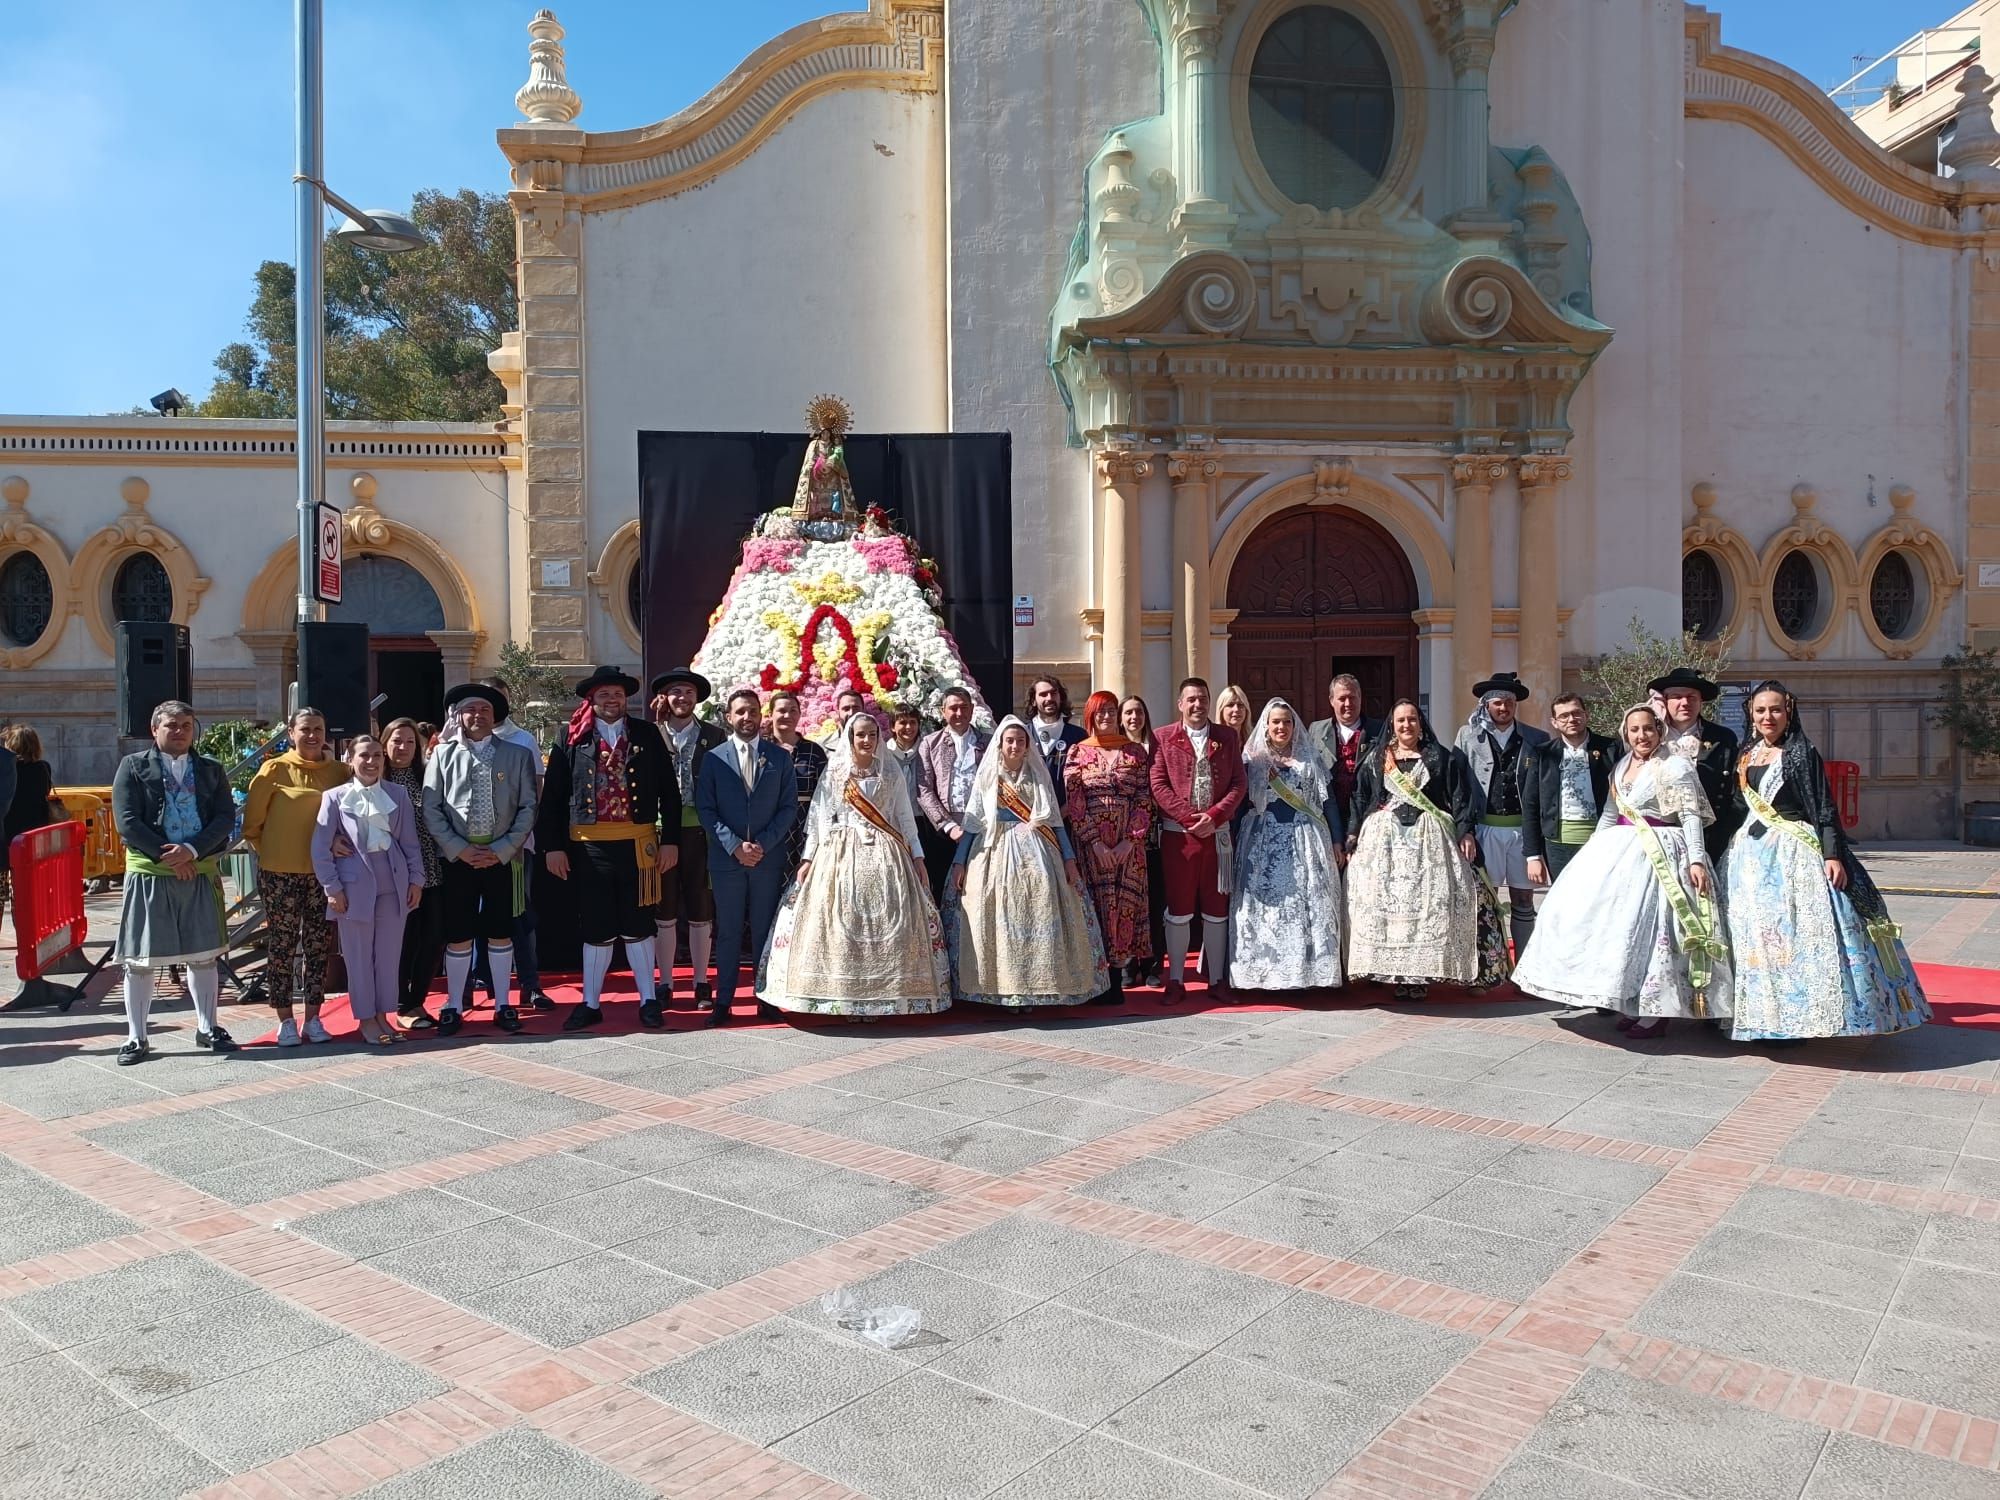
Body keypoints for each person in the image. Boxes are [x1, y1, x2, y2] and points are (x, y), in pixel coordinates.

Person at [1723, 681, 1930, 1040]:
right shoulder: (1747, 753)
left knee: (1796, 933)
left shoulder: (1801, 751)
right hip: (1750, 858)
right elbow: (1738, 808)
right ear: (1750, 715)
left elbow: (1823, 807)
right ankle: (1759, 1017)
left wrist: (1832, 855)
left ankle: (1797, 1020)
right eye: (1760, 710)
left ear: (1788, 712)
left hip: (1793, 854)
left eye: (1775, 709)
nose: (1767, 717)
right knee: (1756, 936)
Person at [1512, 704, 1729, 1037]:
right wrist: (1591, 857)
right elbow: (1610, 816)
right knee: (1623, 933)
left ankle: (1657, 1010)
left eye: (1648, 729)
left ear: (1659, 731)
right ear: (1625, 734)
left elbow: (1689, 816)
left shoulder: (1674, 766)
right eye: (1634, 730)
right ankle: (1630, 1002)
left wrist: (1697, 859)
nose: (1641, 736)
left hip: (1662, 851)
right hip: (1622, 851)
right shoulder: (1622, 764)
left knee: (1657, 933)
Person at [759, 713, 948, 1016]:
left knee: (889, 921)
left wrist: (917, 857)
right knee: (839, 920)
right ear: (850, 738)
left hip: (887, 853)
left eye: (872, 735)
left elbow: (903, 818)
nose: (866, 740)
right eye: (860, 735)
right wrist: (808, 858)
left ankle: (883, 997)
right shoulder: (835, 772)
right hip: (840, 851)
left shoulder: (891, 771)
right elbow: (819, 818)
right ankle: (844, 997)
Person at [538, 666, 678, 1031]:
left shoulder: (646, 733)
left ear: (625, 698)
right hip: (589, 848)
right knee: (597, 928)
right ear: (592, 699)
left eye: (617, 694)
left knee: (639, 926)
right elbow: (553, 798)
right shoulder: (570, 737)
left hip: (638, 844)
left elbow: (670, 793)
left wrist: (672, 841)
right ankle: (590, 1003)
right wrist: (552, 847)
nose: (612, 700)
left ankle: (648, 999)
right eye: (604, 695)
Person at [109, 702, 239, 1062]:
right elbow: (128, 822)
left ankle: (207, 1027)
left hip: (197, 868)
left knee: (204, 955)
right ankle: (137, 1037)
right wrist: (171, 856)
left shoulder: (211, 769)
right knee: (141, 959)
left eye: (186, 724)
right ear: (155, 729)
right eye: (171, 725)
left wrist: (192, 851)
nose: (180, 730)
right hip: (152, 872)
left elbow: (225, 817)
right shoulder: (133, 767)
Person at [947, 717, 1106, 1008]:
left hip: (1037, 852)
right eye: (1010, 740)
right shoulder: (988, 777)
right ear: (1000, 743)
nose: (1015, 745)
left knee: (1040, 910)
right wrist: (960, 862)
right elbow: (972, 822)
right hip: (993, 850)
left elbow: (1055, 823)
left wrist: (1069, 859)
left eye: (1021, 741)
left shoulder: (1037, 774)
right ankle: (1001, 988)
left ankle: (1037, 988)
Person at [1345, 700, 1493, 1001]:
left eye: (1412, 719)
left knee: (1429, 905)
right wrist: (1352, 834)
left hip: (1429, 842)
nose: (1406, 725)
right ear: (1392, 725)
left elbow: (1460, 797)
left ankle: (1421, 975)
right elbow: (1360, 798)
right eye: (1400, 720)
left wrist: (1465, 832)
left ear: (1421, 723)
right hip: (1384, 844)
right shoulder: (1377, 758)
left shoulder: (1440, 757)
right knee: (1389, 907)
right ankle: (1393, 973)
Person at [421, 683, 538, 1035]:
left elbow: (528, 806)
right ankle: (454, 1004)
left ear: (494, 715)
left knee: (501, 932)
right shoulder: (442, 755)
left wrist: (502, 849)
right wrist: (459, 848)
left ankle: (503, 1003)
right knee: (459, 934)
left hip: (501, 859)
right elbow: (431, 806)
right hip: (459, 859)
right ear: (458, 716)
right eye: (470, 710)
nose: (477, 716)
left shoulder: (516, 754)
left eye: (484, 710)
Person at [242, 706, 351, 1046]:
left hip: (324, 876)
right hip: (280, 875)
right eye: (304, 729)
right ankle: (285, 1019)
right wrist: (277, 851)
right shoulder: (273, 769)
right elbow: (252, 826)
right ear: (291, 732)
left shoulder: (339, 772)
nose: (312, 735)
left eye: (318, 729)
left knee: (319, 946)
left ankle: (314, 1017)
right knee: (282, 946)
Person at [312, 735, 424, 1046]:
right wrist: (332, 889)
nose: (372, 761)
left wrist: (416, 880)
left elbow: (411, 843)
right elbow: (320, 848)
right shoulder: (334, 797)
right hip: (352, 887)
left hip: (394, 883)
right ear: (350, 760)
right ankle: (365, 1018)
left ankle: (384, 1015)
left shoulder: (397, 794)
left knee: (388, 956)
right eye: (364, 755)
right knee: (358, 956)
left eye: (377, 755)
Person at [696, 687, 799, 1026]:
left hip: (767, 861)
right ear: (729, 717)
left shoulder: (780, 758)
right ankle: (723, 1001)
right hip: (727, 861)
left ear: (761, 715)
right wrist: (735, 846)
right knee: (726, 930)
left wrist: (762, 846)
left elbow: (788, 809)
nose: (747, 718)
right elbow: (706, 809)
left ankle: (764, 997)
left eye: (752, 711)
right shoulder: (713, 758)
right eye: (740, 712)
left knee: (763, 930)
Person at [1231, 699, 1346, 993]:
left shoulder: (1309, 760)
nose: (1281, 727)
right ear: (1266, 727)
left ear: (1294, 726)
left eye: (1287, 722)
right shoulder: (1252, 760)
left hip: (1305, 839)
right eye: (1276, 722)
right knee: (1264, 910)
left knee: (1308, 906)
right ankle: (1264, 972)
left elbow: (1327, 801)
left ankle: (1308, 973)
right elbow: (1241, 804)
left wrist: (1336, 839)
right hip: (1261, 842)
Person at [1149, 678, 1246, 1000]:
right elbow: (1158, 784)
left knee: (1217, 909)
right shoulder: (1163, 737)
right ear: (1180, 704)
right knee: (1178, 909)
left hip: (1217, 838)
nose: (1197, 705)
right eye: (1190, 699)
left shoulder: (1226, 737)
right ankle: (1175, 980)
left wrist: (1215, 816)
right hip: (1180, 839)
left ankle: (1216, 980)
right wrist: (1191, 818)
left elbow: (1238, 783)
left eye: (1202, 698)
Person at [1062, 690, 1151, 1005]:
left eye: (1111, 711)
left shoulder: (1136, 752)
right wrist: (1095, 843)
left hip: (1128, 847)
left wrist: (1130, 839)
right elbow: (1075, 802)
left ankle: (1117, 979)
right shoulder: (1077, 753)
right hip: (1092, 846)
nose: (1106, 717)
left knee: (1125, 908)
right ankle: (1095, 979)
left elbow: (1143, 798)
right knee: (1098, 908)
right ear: (1090, 716)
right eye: (1100, 712)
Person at [1455, 673, 1548, 959]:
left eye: (1509, 702)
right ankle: (1489, 963)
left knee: (1523, 897)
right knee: (1487, 896)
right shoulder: (1468, 737)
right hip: (1485, 829)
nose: (1504, 708)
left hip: (1523, 831)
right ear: (1486, 705)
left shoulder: (1536, 738)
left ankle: (1524, 964)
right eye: (1498, 702)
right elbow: (1459, 785)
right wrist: (1464, 829)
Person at [650, 668, 725, 1010]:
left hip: (701, 831)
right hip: (660, 831)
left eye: (688, 692)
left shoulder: (715, 736)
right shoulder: (649, 735)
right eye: (675, 691)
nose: (682, 698)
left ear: (697, 699)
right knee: (663, 907)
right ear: (665, 697)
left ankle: (700, 980)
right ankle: (664, 981)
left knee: (700, 907)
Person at [382, 718, 444, 1029]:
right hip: (393, 874)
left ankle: (416, 999)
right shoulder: (375, 779)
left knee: (434, 937)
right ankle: (402, 1001)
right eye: (397, 741)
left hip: (429, 870)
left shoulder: (427, 777)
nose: (403, 747)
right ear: (384, 744)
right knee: (402, 940)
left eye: (409, 742)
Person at [1521, 693, 1619, 885]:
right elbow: (1531, 804)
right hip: (1557, 845)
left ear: (1586, 715)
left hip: (1602, 839)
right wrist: (1532, 856)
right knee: (1565, 901)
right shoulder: (1542, 753)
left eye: (1576, 713)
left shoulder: (1612, 749)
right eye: (1564, 716)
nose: (1571, 719)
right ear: (1554, 722)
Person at [1653, 666, 1743, 865]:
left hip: (1710, 836)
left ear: (1701, 701)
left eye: (1691, 697)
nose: (1685, 703)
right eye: (1676, 697)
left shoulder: (1722, 737)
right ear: (1664, 701)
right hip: (1660, 835)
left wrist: (1727, 831)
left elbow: (1735, 790)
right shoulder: (1650, 737)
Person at [915, 686, 991, 901]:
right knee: (943, 888)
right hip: (945, 831)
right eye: (953, 708)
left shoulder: (988, 742)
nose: (959, 713)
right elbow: (924, 789)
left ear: (972, 709)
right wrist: (949, 827)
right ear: (943, 711)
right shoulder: (930, 743)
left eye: (964, 707)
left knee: (979, 888)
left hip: (982, 826)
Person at [1120, 694, 1166, 987]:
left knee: (1153, 901)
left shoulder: (1157, 747)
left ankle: (1152, 964)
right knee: (1125, 902)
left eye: (1138, 711)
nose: (1134, 717)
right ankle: (1126, 963)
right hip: (1122, 838)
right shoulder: (1114, 749)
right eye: (1128, 713)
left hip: (1152, 838)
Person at [0, 725, 60, 928]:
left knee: (1, 892)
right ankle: (25, 932)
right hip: (31, 840)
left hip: (4, 837)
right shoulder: (42, 768)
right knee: (25, 893)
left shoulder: (5, 770)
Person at [765, 689, 829, 876]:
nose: (788, 715)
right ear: (770, 714)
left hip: (805, 827)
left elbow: (826, 795)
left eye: (793, 710)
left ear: (800, 714)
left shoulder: (813, 751)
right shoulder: (760, 749)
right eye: (782, 711)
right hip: (769, 828)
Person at [1307, 673, 1382, 821]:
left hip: (1368, 815)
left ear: (1360, 698)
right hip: (1328, 816)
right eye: (1342, 699)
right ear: (1331, 700)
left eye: (1352, 697)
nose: (1348, 704)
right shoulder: (1316, 730)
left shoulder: (1379, 730)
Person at [1026, 675, 1086, 789]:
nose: (1049, 698)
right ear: (1033, 701)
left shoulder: (1079, 736)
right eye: (1043, 694)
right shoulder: (1023, 734)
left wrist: (1068, 805)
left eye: (1053, 693)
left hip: (1068, 806)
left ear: (1061, 698)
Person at [885, 707, 925, 818]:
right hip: (893, 818)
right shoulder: (885, 754)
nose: (908, 727)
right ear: (893, 727)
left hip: (922, 818)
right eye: (902, 722)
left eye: (913, 722)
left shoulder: (926, 751)